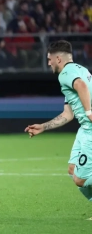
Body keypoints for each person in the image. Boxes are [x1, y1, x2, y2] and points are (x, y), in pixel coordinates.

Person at [25, 40, 92, 218]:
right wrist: (43, 127)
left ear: (58, 59)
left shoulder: (65, 74)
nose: (48, 63)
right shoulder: (81, 69)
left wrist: (89, 111)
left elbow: (82, 86)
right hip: (84, 129)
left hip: (90, 128)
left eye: (49, 60)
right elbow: (68, 114)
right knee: (72, 169)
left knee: (80, 179)